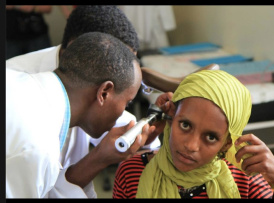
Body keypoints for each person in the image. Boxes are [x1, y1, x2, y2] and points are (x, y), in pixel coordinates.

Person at [6, 5, 160, 198]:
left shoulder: (32, 86)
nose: (123, 114)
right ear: (104, 91)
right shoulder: (37, 148)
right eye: (127, 103)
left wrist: (150, 128)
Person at [112, 70, 274, 199]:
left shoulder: (245, 183)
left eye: (210, 137)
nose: (191, 146)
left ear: (226, 144)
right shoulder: (131, 174)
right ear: (171, 117)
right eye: (185, 125)